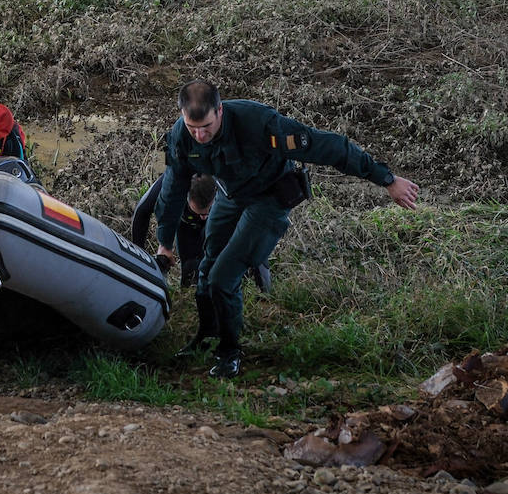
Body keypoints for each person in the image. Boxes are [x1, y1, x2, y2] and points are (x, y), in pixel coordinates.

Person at [153, 79, 418, 379]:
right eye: (192, 127)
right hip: (231, 195)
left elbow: (329, 147)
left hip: (268, 200)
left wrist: (387, 179)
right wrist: (165, 242)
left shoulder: (259, 123)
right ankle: (208, 335)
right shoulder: (180, 137)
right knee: (206, 267)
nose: (200, 136)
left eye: (207, 127)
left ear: (220, 111)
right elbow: (173, 189)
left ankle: (230, 351)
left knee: (222, 276)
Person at [130, 172, 270, 293]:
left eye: (206, 212)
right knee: (191, 274)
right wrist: (139, 256)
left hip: (221, 220)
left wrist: (265, 288)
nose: (203, 216)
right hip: (187, 227)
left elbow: (255, 229)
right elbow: (141, 212)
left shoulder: (229, 183)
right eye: (198, 212)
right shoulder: (173, 182)